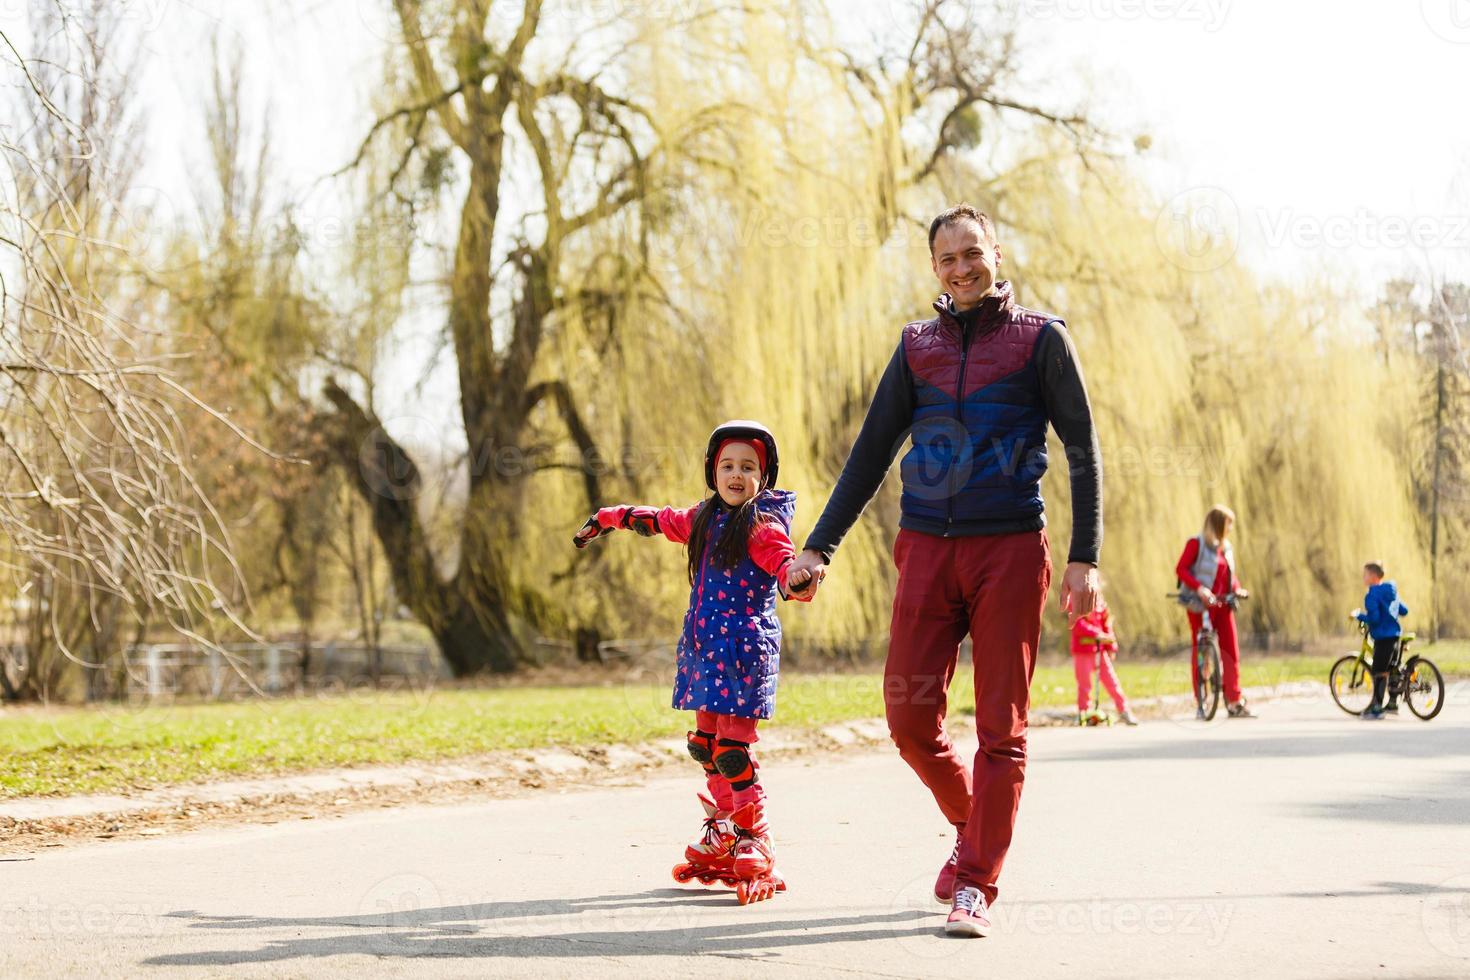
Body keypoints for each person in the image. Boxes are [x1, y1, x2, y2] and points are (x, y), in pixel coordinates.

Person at [787, 204, 1103, 938]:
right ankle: (975, 827)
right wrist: (818, 548)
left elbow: (1083, 451)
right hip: (926, 548)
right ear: (935, 269)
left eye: (973, 252)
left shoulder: (1041, 340)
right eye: (947, 259)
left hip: (1010, 550)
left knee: (1002, 726)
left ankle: (976, 884)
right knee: (908, 719)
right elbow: (869, 454)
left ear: (996, 252)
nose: (962, 268)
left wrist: (1085, 558)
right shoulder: (916, 345)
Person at [573, 420, 813, 903]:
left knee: (732, 751)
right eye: (728, 465)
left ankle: (755, 837)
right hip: (705, 652)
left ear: (762, 478)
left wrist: (797, 579)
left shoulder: (762, 529)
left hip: (745, 652)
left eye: (748, 467)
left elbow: (784, 565)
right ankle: (724, 828)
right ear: (713, 471)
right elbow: (657, 520)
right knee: (705, 746)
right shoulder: (701, 520)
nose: (736, 474)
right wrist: (608, 516)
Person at [1174, 505, 1252, 719]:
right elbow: (1180, 569)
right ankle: (1202, 700)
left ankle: (1234, 700)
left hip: (1223, 605)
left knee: (1231, 650)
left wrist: (1237, 589)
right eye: (1229, 524)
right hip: (1200, 606)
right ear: (1218, 524)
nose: (1231, 528)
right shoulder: (1196, 544)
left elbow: (1229, 576)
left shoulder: (1226, 548)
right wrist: (1200, 588)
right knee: (1201, 652)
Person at [1070, 596, 1138, 725]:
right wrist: (1096, 634)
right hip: (1083, 651)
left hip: (1099, 651)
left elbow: (1107, 626)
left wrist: (1111, 645)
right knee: (1084, 684)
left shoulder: (1101, 604)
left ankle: (1124, 710)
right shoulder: (1076, 601)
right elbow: (1078, 624)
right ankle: (1083, 712)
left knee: (1112, 682)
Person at [1356, 561, 1409, 720]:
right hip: (1395, 636)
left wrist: (1359, 615)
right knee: (1393, 668)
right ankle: (1393, 703)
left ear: (1373, 576)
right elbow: (1404, 611)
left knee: (1379, 671)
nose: (1363, 577)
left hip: (1382, 637)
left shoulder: (1372, 594)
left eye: (1365, 574)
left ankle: (1377, 708)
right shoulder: (1392, 590)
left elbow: (1375, 619)